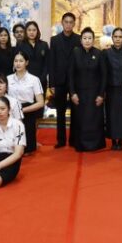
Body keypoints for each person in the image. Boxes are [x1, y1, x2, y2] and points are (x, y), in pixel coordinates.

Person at [67, 28, 107, 151]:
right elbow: (70, 74)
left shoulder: (99, 54)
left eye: (90, 38)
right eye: (85, 38)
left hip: (95, 94)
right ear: (81, 40)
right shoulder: (75, 52)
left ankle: (95, 144)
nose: (87, 41)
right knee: (80, 120)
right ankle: (79, 144)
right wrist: (72, 93)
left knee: (94, 120)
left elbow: (104, 75)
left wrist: (101, 95)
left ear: (93, 40)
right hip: (79, 94)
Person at [49, 12, 80, 148]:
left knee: (76, 112)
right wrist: (52, 84)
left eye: (70, 22)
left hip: (75, 81)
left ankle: (73, 140)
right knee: (60, 112)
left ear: (74, 24)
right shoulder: (55, 40)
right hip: (59, 81)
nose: (68, 24)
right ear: (62, 23)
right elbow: (52, 62)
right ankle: (61, 140)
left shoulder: (79, 39)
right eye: (66, 22)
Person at [103, 27, 122, 150]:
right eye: (115, 36)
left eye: (120, 37)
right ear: (112, 38)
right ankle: (113, 140)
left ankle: (120, 140)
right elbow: (103, 72)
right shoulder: (106, 53)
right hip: (110, 89)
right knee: (111, 115)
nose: (117, 39)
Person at [7, 52, 45, 154]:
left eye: (21, 61)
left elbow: (41, 102)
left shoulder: (34, 79)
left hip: (28, 110)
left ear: (26, 62)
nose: (18, 64)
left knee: (27, 151)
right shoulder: (8, 79)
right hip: (11, 110)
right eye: (16, 61)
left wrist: (22, 110)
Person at [18, 21, 49, 91]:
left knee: (41, 101)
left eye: (34, 30)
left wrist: (42, 78)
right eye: (29, 30)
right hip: (25, 80)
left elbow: (47, 63)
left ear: (37, 31)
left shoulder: (44, 45)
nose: (32, 32)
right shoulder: (20, 45)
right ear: (26, 31)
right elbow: (19, 63)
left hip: (41, 80)